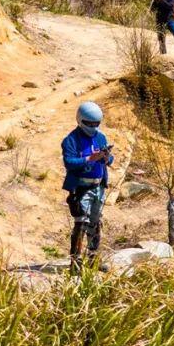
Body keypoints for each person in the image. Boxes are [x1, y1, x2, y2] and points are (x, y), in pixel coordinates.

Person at [61, 101, 114, 270]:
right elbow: (69, 162)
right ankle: (75, 262)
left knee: (95, 223)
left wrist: (106, 158)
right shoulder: (71, 140)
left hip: (98, 187)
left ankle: (93, 259)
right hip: (81, 188)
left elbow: (110, 160)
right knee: (81, 223)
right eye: (89, 123)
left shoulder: (101, 137)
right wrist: (89, 159)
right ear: (80, 120)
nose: (92, 127)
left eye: (96, 123)